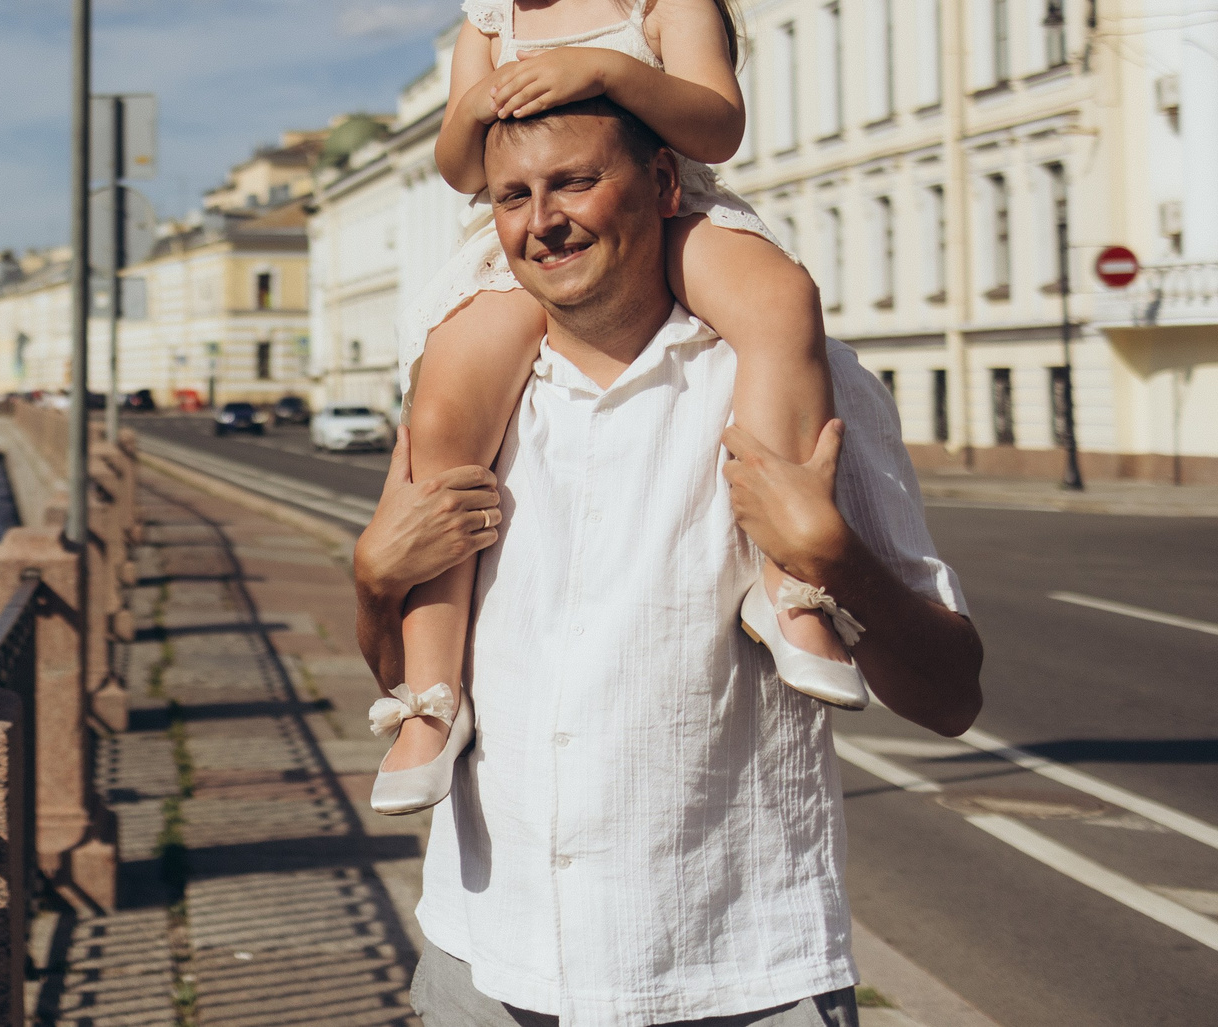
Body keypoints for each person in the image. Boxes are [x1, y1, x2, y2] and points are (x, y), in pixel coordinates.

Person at [352, 96, 983, 1027]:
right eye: (512, 196)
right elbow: (412, 683)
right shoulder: (465, 406)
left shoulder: (802, 382)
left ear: (658, 183)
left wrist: (832, 558)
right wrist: (373, 581)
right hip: (490, 961)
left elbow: (952, 695)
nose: (542, 221)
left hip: (735, 972)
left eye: (574, 181)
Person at [375, 0, 852, 815]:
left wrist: (607, 75)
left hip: (670, 212)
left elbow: (716, 123)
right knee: (450, 387)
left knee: (778, 302)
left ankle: (790, 588)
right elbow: (460, 171)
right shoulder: (490, 20)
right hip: (528, 239)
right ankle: (429, 687)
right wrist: (480, 103)